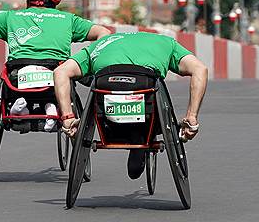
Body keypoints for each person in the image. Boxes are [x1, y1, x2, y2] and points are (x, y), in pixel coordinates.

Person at [54, 31, 209, 179]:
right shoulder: (167, 43)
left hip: (107, 120)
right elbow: (200, 69)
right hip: (149, 114)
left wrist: (68, 118)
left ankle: (135, 138)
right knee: (152, 101)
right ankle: (139, 137)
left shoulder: (101, 44)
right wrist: (191, 116)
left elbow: (60, 72)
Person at [0, 0, 111, 130]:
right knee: (61, 79)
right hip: (56, 72)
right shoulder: (68, 19)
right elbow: (104, 32)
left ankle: (19, 107)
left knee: (14, 80)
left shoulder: (11, 17)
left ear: (28, 1)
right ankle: (53, 107)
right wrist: (89, 61)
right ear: (55, 3)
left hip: (17, 72)